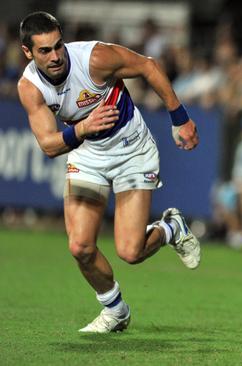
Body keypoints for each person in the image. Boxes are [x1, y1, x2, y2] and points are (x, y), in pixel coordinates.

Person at [16, 12, 201, 333]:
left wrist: (180, 118)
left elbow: (148, 65)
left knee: (131, 251)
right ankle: (116, 311)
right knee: (80, 247)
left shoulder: (93, 58)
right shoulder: (30, 87)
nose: (56, 56)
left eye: (58, 45)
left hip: (132, 150)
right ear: (28, 53)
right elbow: (48, 145)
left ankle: (171, 228)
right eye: (45, 50)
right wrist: (84, 128)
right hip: (87, 154)